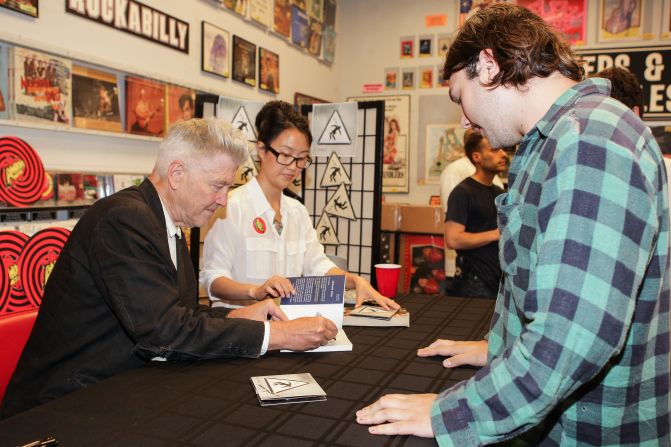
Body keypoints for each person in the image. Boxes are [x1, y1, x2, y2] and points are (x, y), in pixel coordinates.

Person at [356, 5, 669, 445]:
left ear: (487, 67)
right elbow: (550, 287)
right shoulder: (554, 141)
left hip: (590, 429)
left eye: (459, 97)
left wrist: (452, 413)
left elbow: (574, 337)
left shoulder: (592, 139)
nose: (464, 121)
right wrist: (499, 348)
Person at [1, 118, 338, 419]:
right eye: (218, 185)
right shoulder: (122, 220)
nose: (223, 201)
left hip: (117, 387)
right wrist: (278, 335)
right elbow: (164, 333)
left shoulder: (166, 225)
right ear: (177, 174)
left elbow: (181, 316)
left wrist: (244, 314)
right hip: (60, 406)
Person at [200, 101, 398, 311]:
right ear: (261, 149)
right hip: (241, 327)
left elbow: (317, 265)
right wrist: (255, 291)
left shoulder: (297, 212)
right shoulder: (231, 206)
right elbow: (213, 279)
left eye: (301, 159)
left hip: (287, 325)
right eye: (285, 155)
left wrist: (355, 281)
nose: (293, 167)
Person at [444, 131, 506, 299]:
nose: (503, 154)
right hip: (474, 282)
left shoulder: (499, 192)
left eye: (501, 149)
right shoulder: (463, 193)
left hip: (497, 280)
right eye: (494, 150)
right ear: (477, 157)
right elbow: (453, 239)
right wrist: (496, 234)